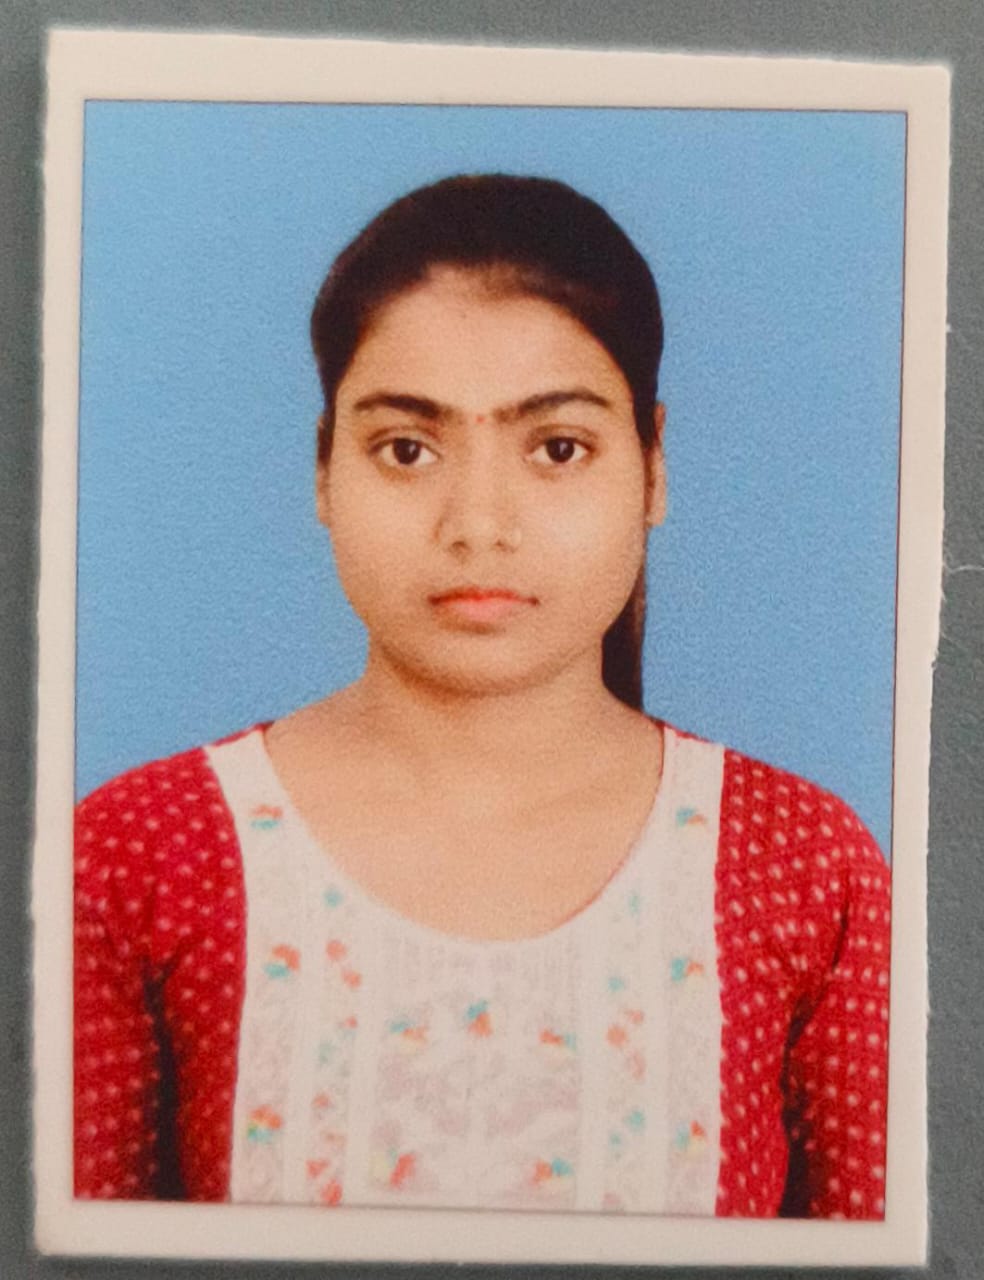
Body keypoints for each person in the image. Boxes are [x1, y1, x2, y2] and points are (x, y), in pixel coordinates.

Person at [74, 174, 891, 1218]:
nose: (478, 524)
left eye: (558, 448)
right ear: (324, 470)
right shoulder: (138, 854)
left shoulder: (807, 867)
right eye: (407, 449)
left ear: (652, 467)